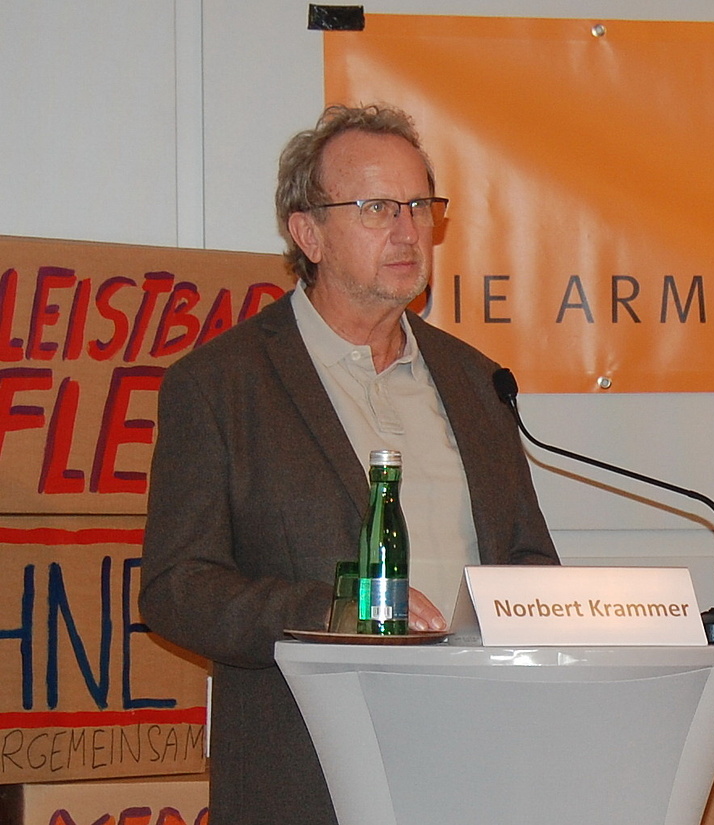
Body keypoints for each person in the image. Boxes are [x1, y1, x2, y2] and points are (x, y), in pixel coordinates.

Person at [138, 104, 559, 825]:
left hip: (477, 765)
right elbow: (178, 588)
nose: (407, 229)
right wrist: (333, 616)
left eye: (419, 206)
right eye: (376, 208)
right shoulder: (221, 384)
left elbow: (526, 558)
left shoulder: (477, 380)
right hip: (304, 776)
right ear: (309, 233)